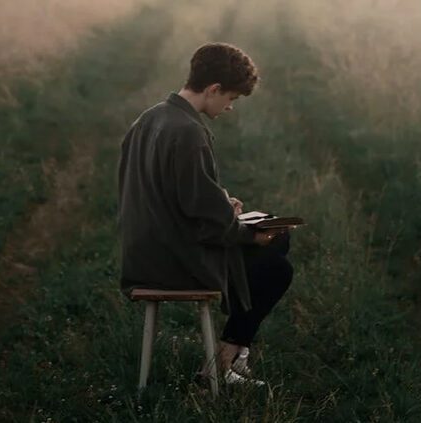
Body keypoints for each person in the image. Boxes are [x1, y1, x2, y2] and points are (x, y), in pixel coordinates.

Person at [117, 42, 294, 386]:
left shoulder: (148, 119)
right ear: (213, 89)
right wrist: (247, 233)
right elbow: (208, 221)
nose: (229, 108)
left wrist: (222, 204)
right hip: (172, 260)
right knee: (276, 267)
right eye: (231, 99)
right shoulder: (190, 133)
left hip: (143, 250)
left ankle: (231, 356)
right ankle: (221, 362)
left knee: (275, 240)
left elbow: (169, 193)